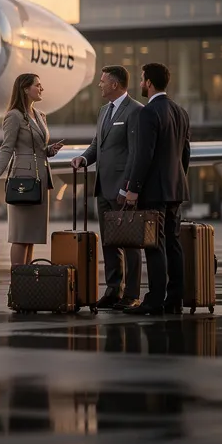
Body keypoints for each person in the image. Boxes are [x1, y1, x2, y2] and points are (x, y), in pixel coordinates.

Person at [121, 62, 191, 316]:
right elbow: (185, 154)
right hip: (175, 188)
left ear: (149, 83)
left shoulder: (148, 113)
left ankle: (154, 300)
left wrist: (133, 188)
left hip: (154, 191)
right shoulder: (180, 112)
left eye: (141, 80)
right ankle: (174, 299)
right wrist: (176, 179)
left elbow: (143, 156)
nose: (140, 84)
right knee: (173, 244)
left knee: (154, 245)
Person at [71, 66, 144, 311]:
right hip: (102, 188)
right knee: (109, 243)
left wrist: (129, 187)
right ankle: (114, 290)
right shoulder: (104, 111)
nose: (99, 85)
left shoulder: (136, 111)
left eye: (102, 82)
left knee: (131, 244)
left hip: (123, 191)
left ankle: (132, 294)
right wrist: (84, 158)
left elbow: (136, 153)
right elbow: (97, 144)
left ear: (114, 84)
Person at [0, 73, 64, 269]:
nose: (41, 88)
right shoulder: (14, 116)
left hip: (41, 178)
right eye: (38, 85)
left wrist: (49, 150)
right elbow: (7, 148)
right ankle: (16, 282)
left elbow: (36, 149)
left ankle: (25, 281)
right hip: (23, 180)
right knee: (20, 234)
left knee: (31, 235)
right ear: (25, 89)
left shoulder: (40, 116)